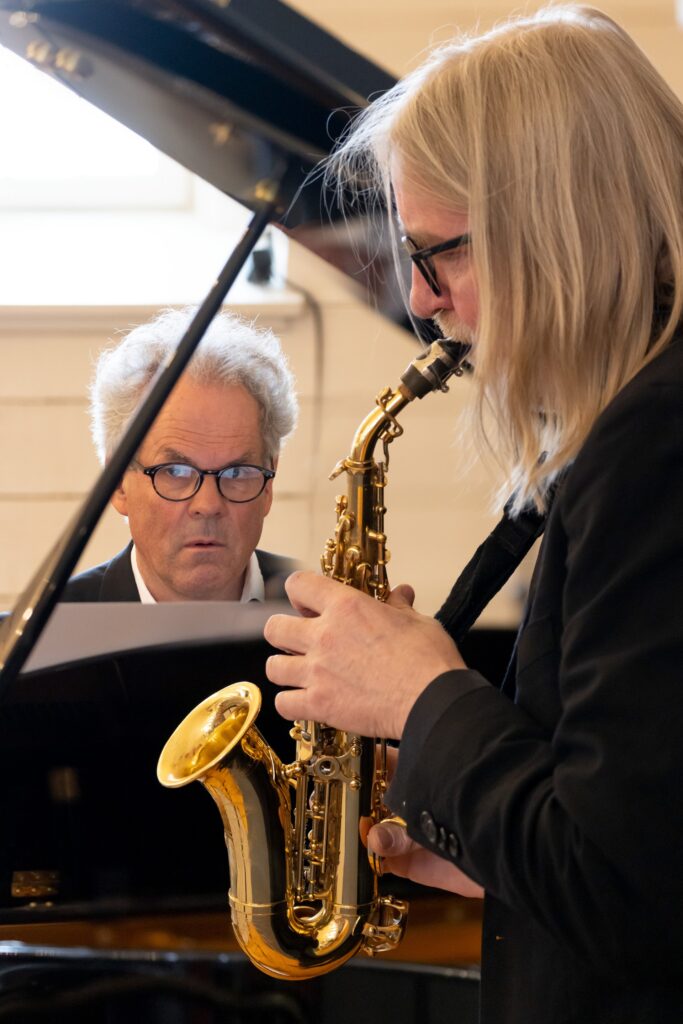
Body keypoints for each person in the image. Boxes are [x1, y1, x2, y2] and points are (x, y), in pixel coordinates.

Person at [263, 6, 683, 1022]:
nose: (419, 297)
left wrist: (420, 694)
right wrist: (478, 835)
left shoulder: (655, 449)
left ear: (551, 223)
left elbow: (623, 893)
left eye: (434, 252)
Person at [62, 306, 298, 603]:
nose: (209, 505)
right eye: (175, 471)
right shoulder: (43, 638)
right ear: (119, 484)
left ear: (268, 486)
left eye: (236, 473)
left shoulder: (325, 617)